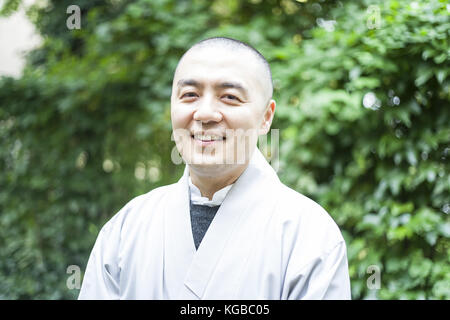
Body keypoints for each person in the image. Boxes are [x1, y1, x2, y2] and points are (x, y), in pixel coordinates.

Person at [78, 37, 351, 300]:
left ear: (266, 117)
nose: (205, 113)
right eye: (190, 95)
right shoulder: (126, 229)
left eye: (230, 97)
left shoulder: (310, 236)